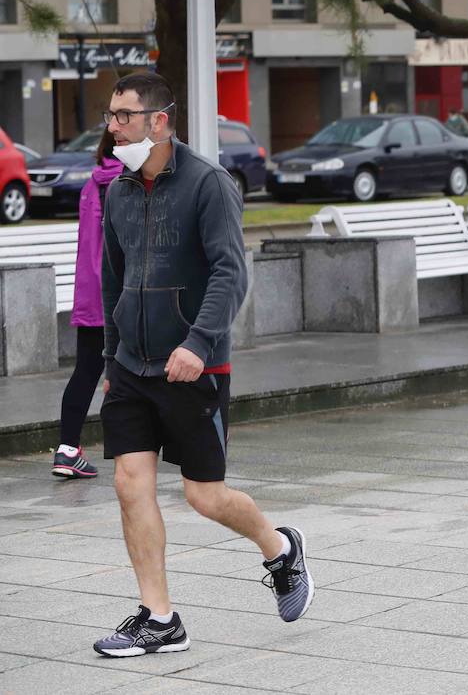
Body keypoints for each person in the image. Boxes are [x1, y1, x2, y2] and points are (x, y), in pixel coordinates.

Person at [94, 72, 314, 657]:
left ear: (158, 120)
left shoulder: (209, 184)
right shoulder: (116, 191)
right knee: (128, 482)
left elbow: (229, 272)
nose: (112, 126)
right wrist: (110, 357)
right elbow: (113, 277)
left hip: (195, 366)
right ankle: (159, 618)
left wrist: (197, 342)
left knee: (204, 495)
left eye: (123, 115)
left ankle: (280, 549)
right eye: (111, 115)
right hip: (132, 367)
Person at [52, 130, 124, 479]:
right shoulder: (131, 182)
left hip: (92, 295)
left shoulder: (92, 185)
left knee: (86, 370)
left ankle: (67, 449)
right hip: (127, 292)